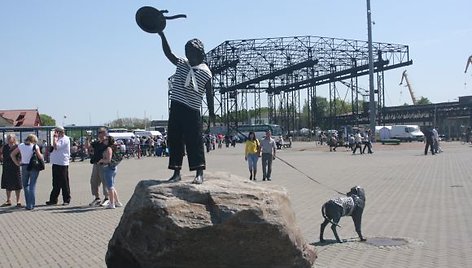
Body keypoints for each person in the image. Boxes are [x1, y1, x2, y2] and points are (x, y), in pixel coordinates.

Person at [157, 30, 214, 184]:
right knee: (174, 140)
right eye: (186, 51)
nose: (188, 54)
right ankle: (176, 172)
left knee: (194, 141)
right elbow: (169, 53)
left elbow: (209, 94)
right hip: (176, 106)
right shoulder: (182, 63)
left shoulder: (206, 72)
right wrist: (162, 35)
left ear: (199, 52)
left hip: (192, 109)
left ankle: (199, 172)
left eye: (191, 51)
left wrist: (212, 113)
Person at [10, 134, 44, 210]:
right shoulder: (35, 146)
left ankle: (28, 203)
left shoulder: (21, 145)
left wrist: (17, 163)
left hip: (24, 166)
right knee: (32, 185)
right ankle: (31, 204)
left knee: (25, 185)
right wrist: (42, 155)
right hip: (34, 167)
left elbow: (12, 154)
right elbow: (40, 157)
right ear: (33, 140)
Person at [46, 126, 71, 206]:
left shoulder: (65, 139)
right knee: (55, 182)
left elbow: (56, 147)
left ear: (61, 132)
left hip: (62, 163)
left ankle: (66, 199)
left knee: (64, 182)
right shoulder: (57, 139)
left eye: (56, 132)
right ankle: (53, 199)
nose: (55, 133)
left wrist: (55, 138)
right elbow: (52, 148)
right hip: (55, 163)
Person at [86, 127, 109, 207]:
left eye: (100, 132)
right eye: (98, 132)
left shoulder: (107, 142)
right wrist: (87, 139)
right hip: (96, 164)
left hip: (104, 165)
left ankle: (107, 198)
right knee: (93, 181)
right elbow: (88, 147)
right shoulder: (97, 142)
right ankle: (97, 198)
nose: (99, 134)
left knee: (105, 182)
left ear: (104, 133)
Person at [98, 136, 122, 209]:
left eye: (106, 140)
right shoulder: (111, 147)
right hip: (112, 168)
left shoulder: (109, 148)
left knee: (110, 187)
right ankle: (117, 202)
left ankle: (112, 203)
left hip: (108, 168)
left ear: (108, 141)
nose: (104, 140)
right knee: (112, 185)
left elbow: (108, 160)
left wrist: (101, 161)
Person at [0, 134, 22, 207]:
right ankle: (8, 200)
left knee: (17, 184)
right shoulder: (4, 147)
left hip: (15, 167)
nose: (8, 139)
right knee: (7, 184)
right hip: (6, 167)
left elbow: (20, 156)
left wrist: (19, 162)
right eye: (8, 138)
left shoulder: (17, 146)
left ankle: (18, 201)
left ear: (14, 138)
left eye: (10, 137)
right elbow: (1, 155)